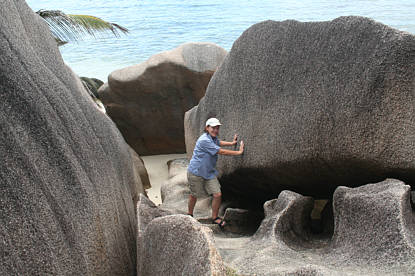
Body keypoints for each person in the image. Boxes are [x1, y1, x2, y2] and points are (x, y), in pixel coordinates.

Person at [187, 117, 244, 228]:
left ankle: (215, 217)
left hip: (209, 172)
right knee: (194, 195)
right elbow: (220, 151)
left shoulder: (212, 138)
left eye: (217, 128)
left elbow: (219, 143)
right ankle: (189, 214)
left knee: (217, 194)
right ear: (207, 128)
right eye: (213, 128)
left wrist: (232, 143)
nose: (215, 130)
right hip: (196, 172)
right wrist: (239, 152)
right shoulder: (204, 140)